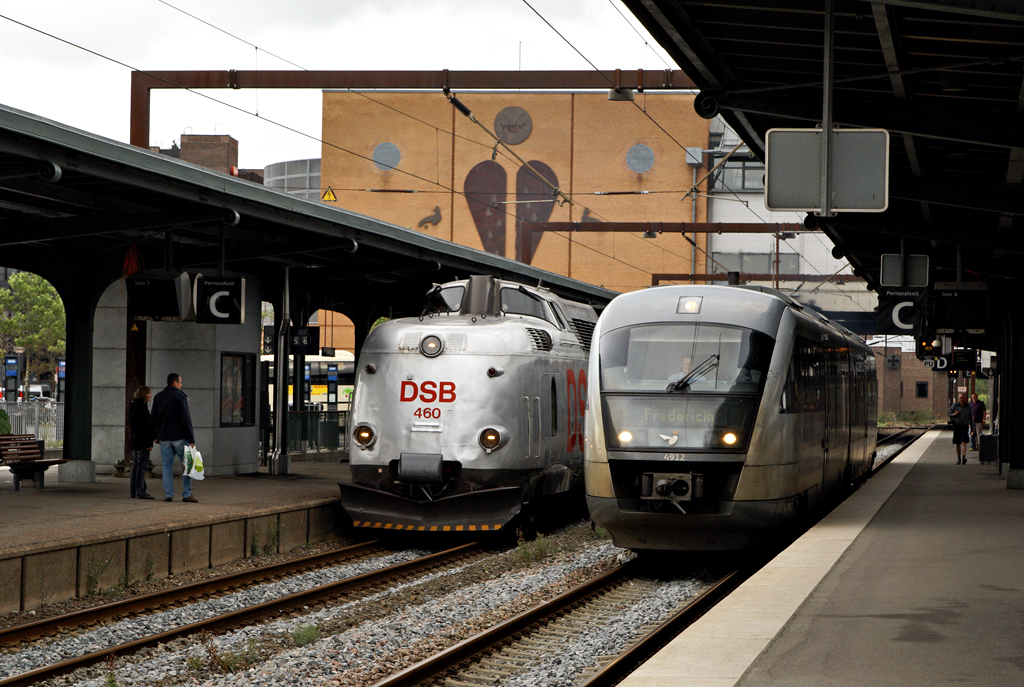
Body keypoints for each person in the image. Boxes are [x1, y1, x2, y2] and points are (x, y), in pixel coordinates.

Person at [150, 372, 198, 502]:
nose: (181, 385)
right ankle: (187, 494)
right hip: (180, 437)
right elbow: (186, 418)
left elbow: (153, 418)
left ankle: (168, 494)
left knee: (166, 466)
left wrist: (155, 436)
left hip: (164, 438)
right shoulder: (180, 396)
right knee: (187, 465)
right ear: (175, 383)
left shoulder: (158, 397)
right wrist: (191, 439)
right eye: (180, 382)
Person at [128, 385, 156, 499]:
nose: (150, 395)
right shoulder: (142, 408)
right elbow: (145, 427)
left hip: (135, 440)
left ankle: (133, 491)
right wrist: (149, 443)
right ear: (143, 395)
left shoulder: (133, 406)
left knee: (135, 466)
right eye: (149, 393)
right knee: (141, 467)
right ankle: (140, 491)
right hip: (143, 442)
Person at [948, 392, 972, 465]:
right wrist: (954, 414)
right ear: (959, 398)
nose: (962, 399)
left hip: (964, 426)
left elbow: (971, 417)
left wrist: (972, 426)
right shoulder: (955, 405)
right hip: (957, 426)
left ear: (965, 399)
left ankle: (963, 457)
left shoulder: (968, 407)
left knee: (963, 442)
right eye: (961, 398)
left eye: (963, 398)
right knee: (957, 443)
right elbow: (949, 414)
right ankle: (959, 458)